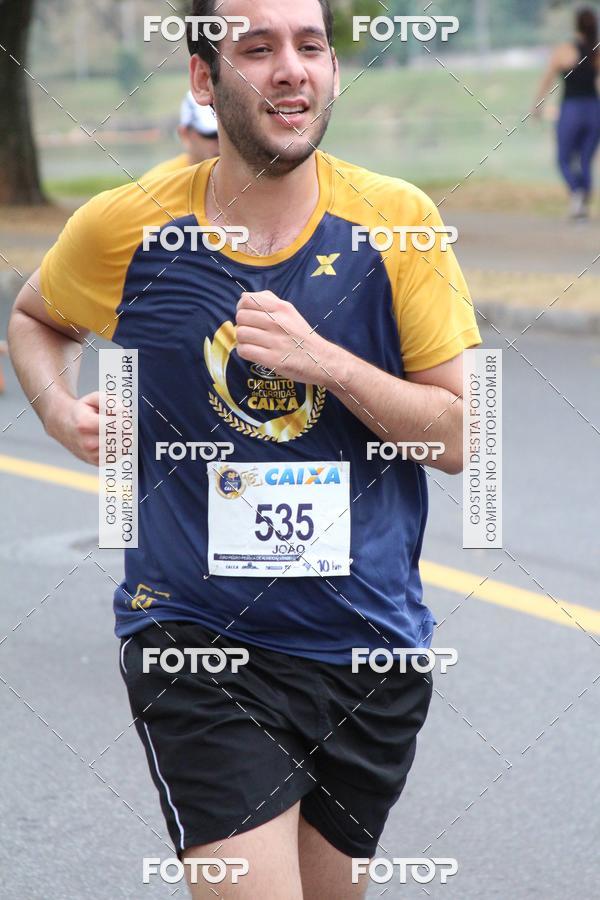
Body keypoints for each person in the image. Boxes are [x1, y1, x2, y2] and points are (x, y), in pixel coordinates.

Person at [8, 0, 481, 896]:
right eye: (257, 48)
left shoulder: (401, 223)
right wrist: (58, 410)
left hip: (367, 648)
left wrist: (328, 363)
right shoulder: (130, 225)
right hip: (197, 644)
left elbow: (463, 437)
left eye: (310, 46)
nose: (291, 68)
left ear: (334, 72)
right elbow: (34, 317)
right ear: (202, 77)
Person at [533, 6, 600, 219]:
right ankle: (582, 202)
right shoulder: (596, 51)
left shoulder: (565, 50)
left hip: (571, 109)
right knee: (585, 159)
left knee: (563, 157)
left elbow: (547, 78)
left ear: (576, 24)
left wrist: (537, 104)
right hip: (594, 109)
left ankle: (576, 193)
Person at [141, 90, 219, 181]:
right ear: (185, 135)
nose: (222, 142)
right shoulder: (157, 182)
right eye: (211, 135)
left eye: (228, 134)